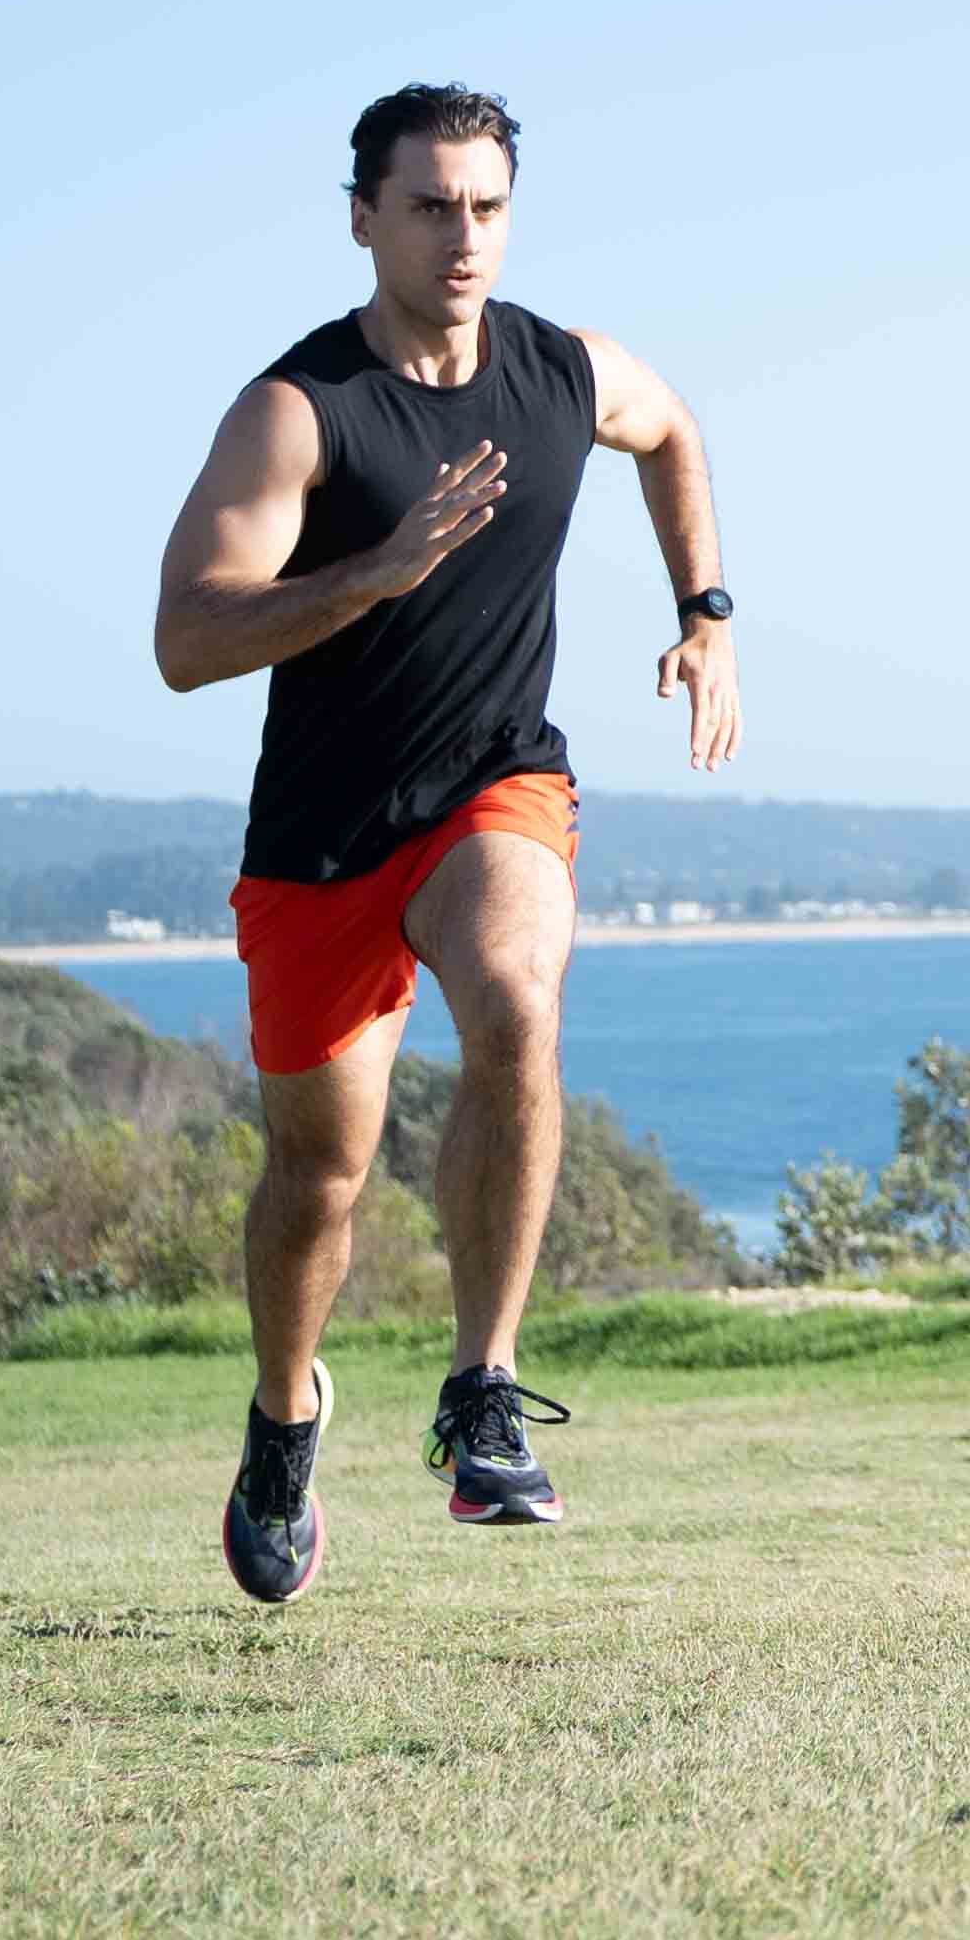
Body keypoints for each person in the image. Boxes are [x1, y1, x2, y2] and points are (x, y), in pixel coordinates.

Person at [150, 83, 738, 1602]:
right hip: (324, 838)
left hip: (494, 787)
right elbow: (187, 639)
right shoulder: (301, 410)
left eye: (485, 207)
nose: (460, 237)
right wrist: (375, 571)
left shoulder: (559, 371)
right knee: (318, 1181)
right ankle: (285, 1417)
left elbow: (672, 429)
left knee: (519, 996)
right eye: (427, 207)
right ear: (364, 218)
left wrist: (706, 613)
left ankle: (485, 1391)